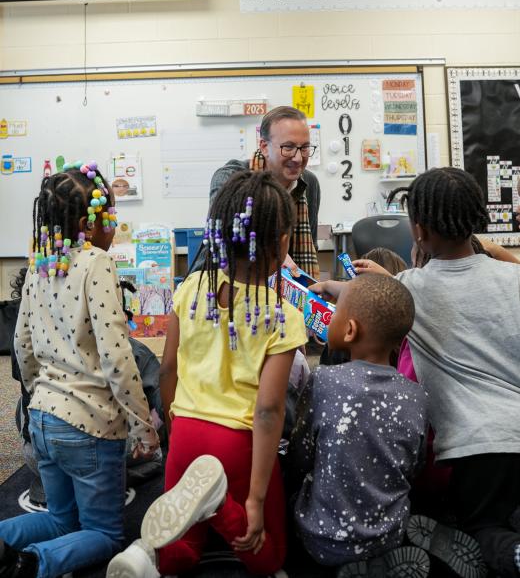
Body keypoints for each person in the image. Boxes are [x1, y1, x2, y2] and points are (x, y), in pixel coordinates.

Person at [317, 167, 520, 578]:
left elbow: (373, 300)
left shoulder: (412, 287)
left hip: (473, 449)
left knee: (481, 531)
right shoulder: (514, 278)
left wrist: (329, 286)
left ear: (420, 232)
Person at [106, 170, 308, 578]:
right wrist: (253, 498)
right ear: (281, 241)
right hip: (238, 443)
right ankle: (220, 503)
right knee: (267, 554)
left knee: (183, 542)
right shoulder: (283, 317)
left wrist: (175, 423)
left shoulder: (192, 287)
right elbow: (269, 411)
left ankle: (148, 555)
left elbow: (167, 368)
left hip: (186, 432)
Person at [0, 161, 159, 578]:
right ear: (93, 221)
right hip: (91, 427)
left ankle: (3, 542)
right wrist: (143, 426)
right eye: (111, 214)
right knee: (105, 534)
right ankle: (32, 564)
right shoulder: (96, 263)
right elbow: (117, 358)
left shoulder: (40, 264)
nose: (116, 224)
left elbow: (22, 345)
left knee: (60, 518)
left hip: (42, 420)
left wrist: (42, 395)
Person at [288, 274, 429, 576]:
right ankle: (374, 560)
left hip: (321, 540)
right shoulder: (415, 395)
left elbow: (301, 457)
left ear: (349, 330)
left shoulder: (324, 381)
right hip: (390, 536)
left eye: (335, 311)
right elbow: (414, 466)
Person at [208, 106, 321, 279]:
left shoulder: (309, 184)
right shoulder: (231, 178)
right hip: (228, 285)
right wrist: (276, 255)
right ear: (264, 146)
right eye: (288, 147)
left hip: (286, 290)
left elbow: (311, 243)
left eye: (305, 148)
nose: (298, 158)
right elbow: (222, 238)